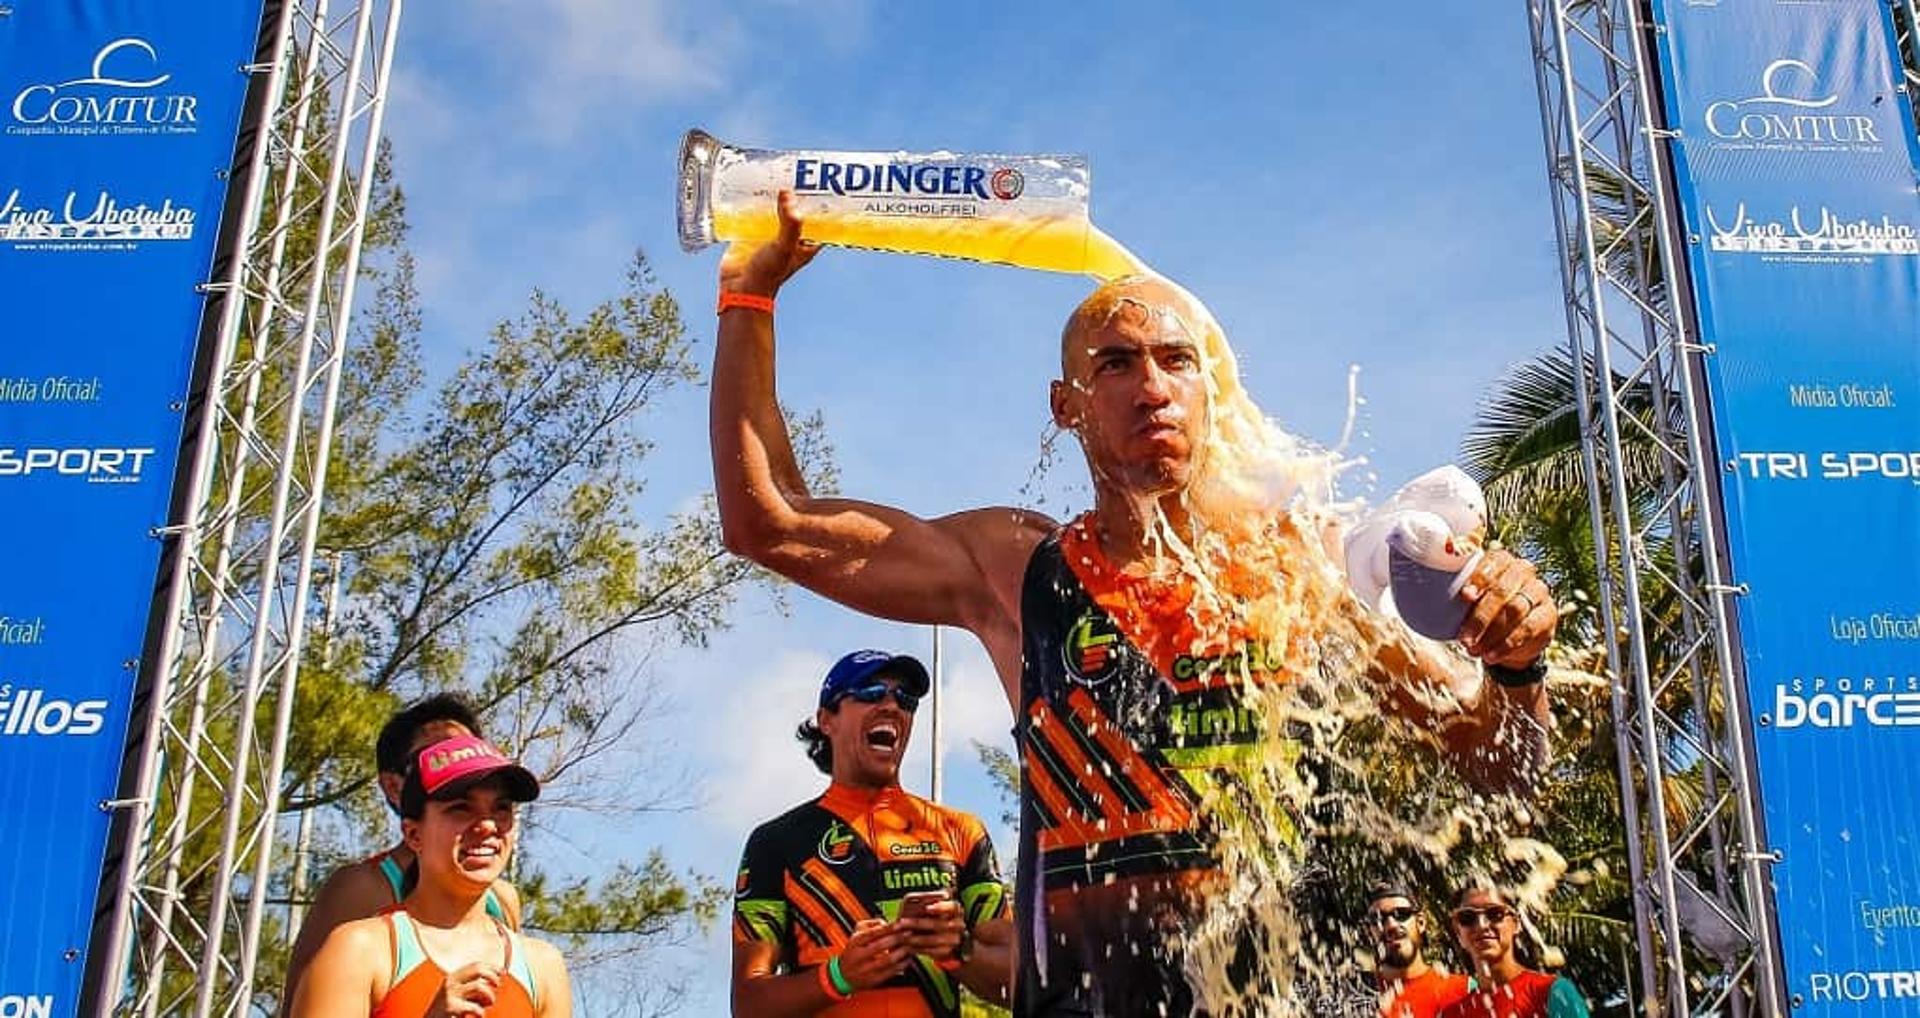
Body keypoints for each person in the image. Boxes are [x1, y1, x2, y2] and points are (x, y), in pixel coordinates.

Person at [710, 195, 1559, 1016]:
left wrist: (1518, 664)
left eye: (1175, 359)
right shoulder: (1018, 568)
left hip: (1291, 995)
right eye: (1115, 364)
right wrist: (749, 295)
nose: (1150, 385)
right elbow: (770, 523)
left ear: (1209, 392)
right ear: (1067, 406)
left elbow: (1498, 770)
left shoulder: (1293, 567)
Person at [731, 649, 1014, 1016]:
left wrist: (957, 950)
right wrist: (838, 976)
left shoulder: (961, 831)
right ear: (826, 719)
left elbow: (1023, 982)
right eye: (870, 692)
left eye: (905, 698)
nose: (892, 705)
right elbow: (747, 1003)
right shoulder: (776, 842)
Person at [289, 734, 571, 1017]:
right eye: (461, 807)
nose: (487, 825)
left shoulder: (542, 967)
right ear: (413, 834)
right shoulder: (358, 951)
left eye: (501, 808)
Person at [1438, 886, 1588, 1018]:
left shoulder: (1551, 992)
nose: (1482, 925)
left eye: (1495, 913)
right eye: (1468, 918)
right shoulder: (1453, 1014)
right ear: (1459, 934)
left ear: (1516, 924)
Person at [1369, 883, 1469, 1018]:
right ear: (1371, 932)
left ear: (1421, 922)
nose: (1390, 925)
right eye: (1378, 919)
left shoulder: (1465, 989)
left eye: (1401, 914)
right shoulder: (1353, 1002)